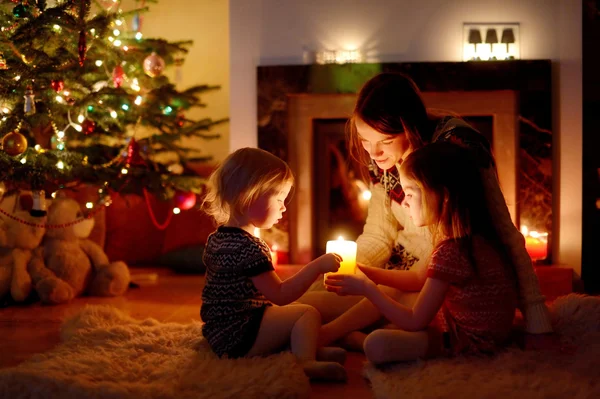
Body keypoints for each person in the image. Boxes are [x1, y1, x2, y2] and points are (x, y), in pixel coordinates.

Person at [299, 72, 553, 348]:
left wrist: (538, 323)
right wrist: (349, 269)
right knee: (310, 303)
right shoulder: (380, 160)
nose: (373, 153)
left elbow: (506, 235)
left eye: (384, 141)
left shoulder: (455, 149)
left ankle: (339, 334)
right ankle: (351, 335)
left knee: (384, 301)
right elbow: (378, 236)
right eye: (364, 140)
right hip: (398, 275)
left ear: (409, 128)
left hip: (438, 287)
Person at [322, 142, 519, 362]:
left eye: (410, 194)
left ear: (443, 197)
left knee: (378, 344)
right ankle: (330, 333)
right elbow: (417, 278)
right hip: (456, 320)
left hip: (465, 340)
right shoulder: (473, 238)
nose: (404, 203)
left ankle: (350, 338)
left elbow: (415, 321)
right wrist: (364, 272)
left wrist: (367, 288)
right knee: (392, 291)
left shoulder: (451, 252)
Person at [200, 147, 347, 382]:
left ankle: (304, 347)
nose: (284, 207)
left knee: (278, 314)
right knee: (306, 313)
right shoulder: (248, 247)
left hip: (218, 331)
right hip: (240, 335)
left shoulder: (216, 239)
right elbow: (280, 295)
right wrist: (316, 267)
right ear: (248, 195)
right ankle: (305, 361)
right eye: (278, 198)